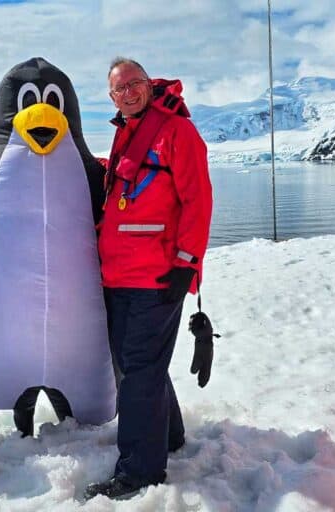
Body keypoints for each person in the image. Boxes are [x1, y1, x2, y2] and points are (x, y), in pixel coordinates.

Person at [84, 58, 213, 500]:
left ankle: (140, 471)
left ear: (149, 85)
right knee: (136, 365)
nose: (128, 93)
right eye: (119, 89)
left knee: (138, 371)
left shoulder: (177, 132)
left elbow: (198, 199)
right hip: (119, 275)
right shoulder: (129, 132)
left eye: (134, 83)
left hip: (156, 276)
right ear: (112, 97)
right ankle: (169, 436)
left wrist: (186, 262)